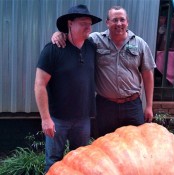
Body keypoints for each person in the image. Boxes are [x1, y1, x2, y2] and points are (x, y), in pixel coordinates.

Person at [52, 6, 156, 137]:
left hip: (132, 105)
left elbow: (147, 75)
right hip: (105, 106)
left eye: (122, 20)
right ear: (107, 22)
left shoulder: (140, 44)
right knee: (103, 146)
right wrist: (61, 34)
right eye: (114, 20)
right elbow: (75, 38)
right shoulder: (95, 40)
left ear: (127, 22)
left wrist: (149, 106)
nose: (119, 24)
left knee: (135, 145)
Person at [35, 4, 102, 172]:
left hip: (83, 119)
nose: (88, 27)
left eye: (89, 23)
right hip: (57, 119)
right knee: (53, 161)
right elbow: (39, 84)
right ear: (70, 24)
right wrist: (45, 119)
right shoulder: (53, 50)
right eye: (83, 23)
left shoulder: (92, 47)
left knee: (79, 161)